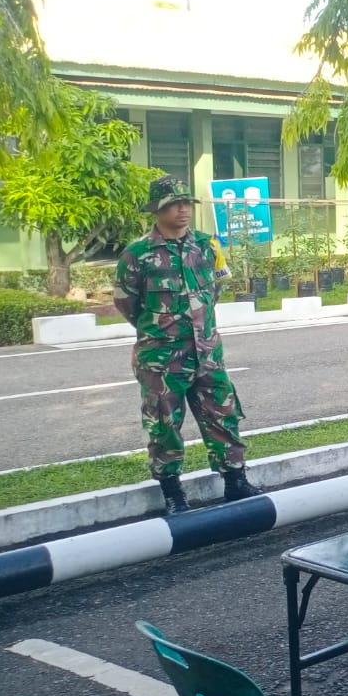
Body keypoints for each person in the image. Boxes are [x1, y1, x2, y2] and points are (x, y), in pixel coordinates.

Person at [112, 175, 262, 516]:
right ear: (157, 210)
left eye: (186, 204)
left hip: (207, 352)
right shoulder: (137, 254)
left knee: (223, 415)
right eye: (173, 205)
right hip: (162, 359)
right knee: (164, 425)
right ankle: (173, 492)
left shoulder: (207, 246)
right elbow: (127, 304)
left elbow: (215, 292)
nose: (182, 210)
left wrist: (198, 329)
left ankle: (235, 481)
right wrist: (161, 331)